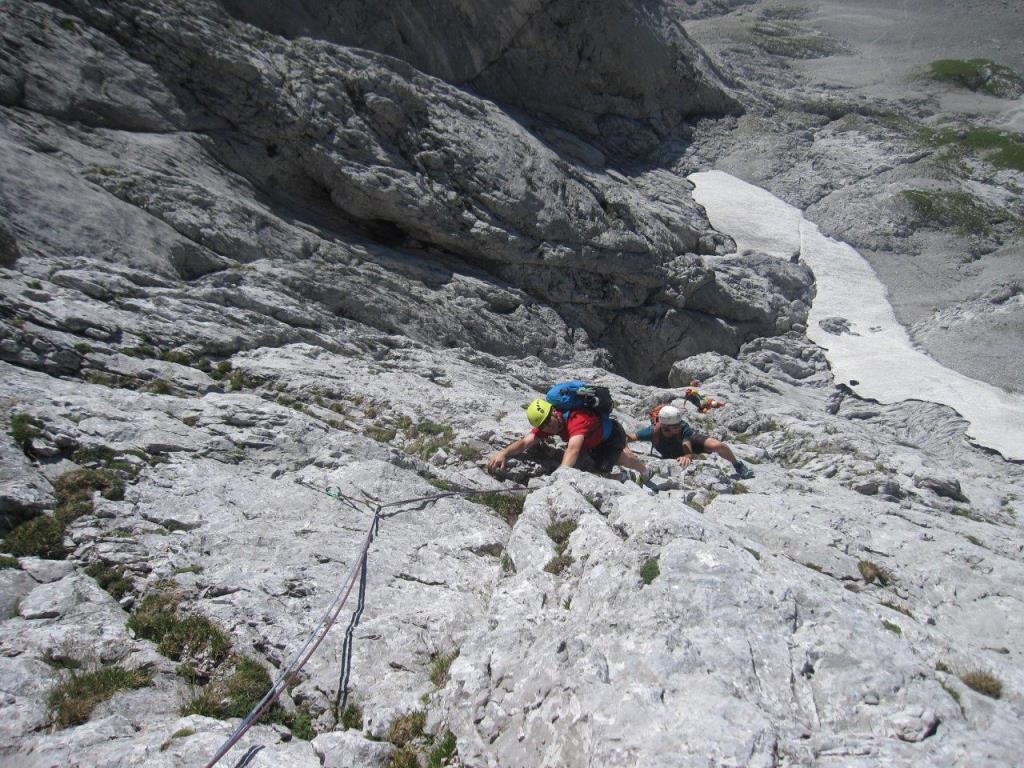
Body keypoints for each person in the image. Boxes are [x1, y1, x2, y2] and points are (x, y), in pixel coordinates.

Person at [487, 398, 651, 482]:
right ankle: (626, 476)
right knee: (599, 468)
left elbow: (573, 448)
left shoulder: (576, 419)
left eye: (548, 420)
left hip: (611, 436)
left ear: (554, 411)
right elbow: (524, 442)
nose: (548, 426)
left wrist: (560, 475)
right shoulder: (547, 424)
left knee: (610, 465)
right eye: (543, 425)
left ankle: (644, 472)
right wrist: (504, 453)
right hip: (592, 440)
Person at [627, 405, 754, 479]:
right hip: (670, 452)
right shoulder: (652, 432)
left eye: (679, 424)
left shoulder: (684, 428)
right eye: (675, 426)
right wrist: (624, 448)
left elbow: (687, 447)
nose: (679, 427)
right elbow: (628, 438)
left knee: (718, 446)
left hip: (691, 443)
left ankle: (737, 465)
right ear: (665, 426)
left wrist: (686, 457)